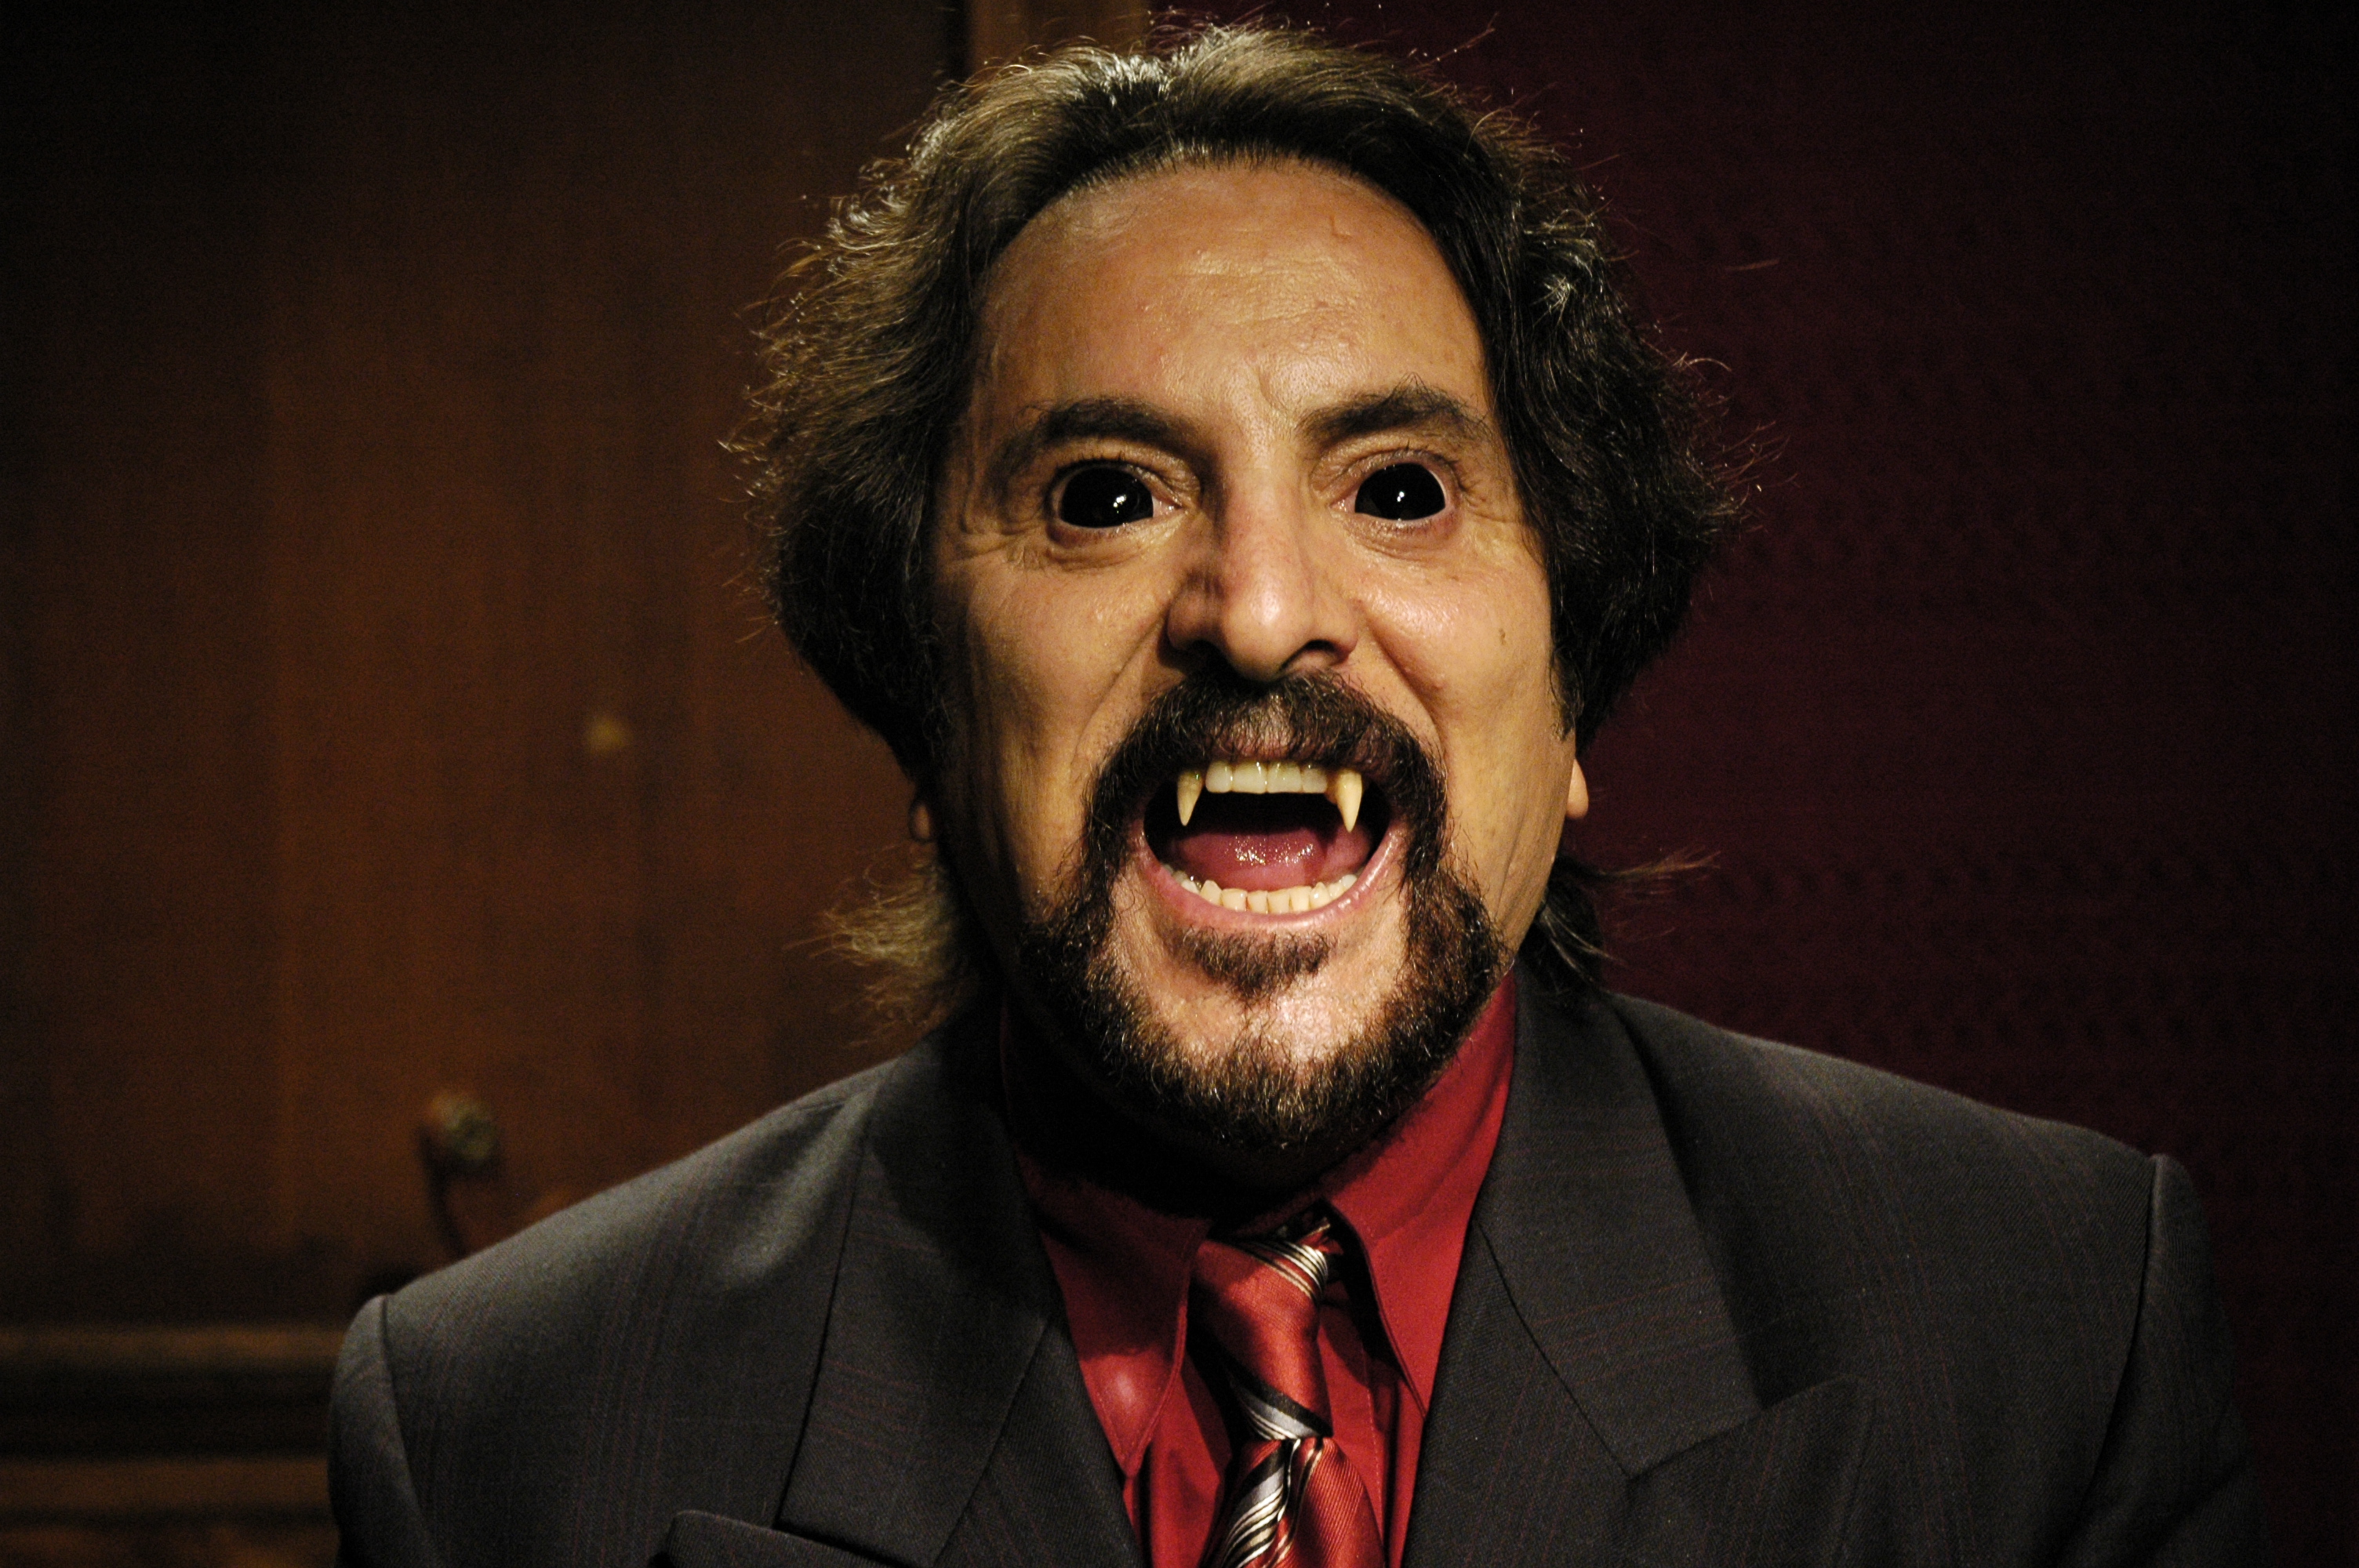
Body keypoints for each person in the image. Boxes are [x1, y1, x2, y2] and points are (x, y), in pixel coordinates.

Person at [329, 24, 2267, 1567]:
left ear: (1574, 688)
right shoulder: (506, 1425)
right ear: (922, 703)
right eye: (1104, 495)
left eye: (1398, 488)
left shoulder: (2046, 1333)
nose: (1257, 612)